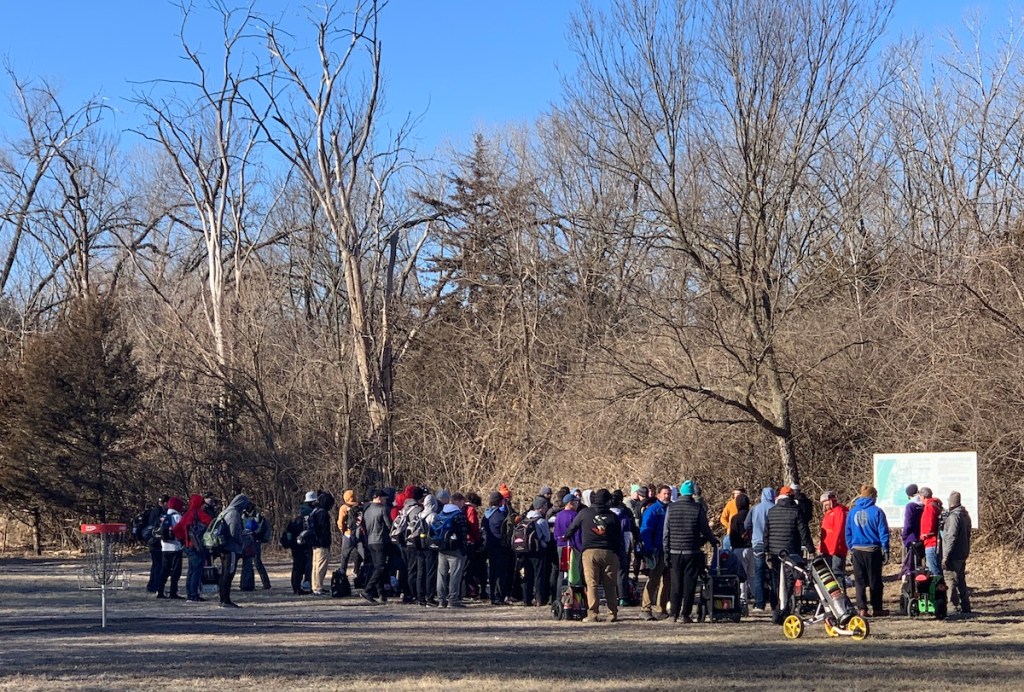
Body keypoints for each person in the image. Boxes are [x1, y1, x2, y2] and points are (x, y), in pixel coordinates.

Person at [562, 488, 623, 623]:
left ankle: (593, 613)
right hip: (609, 552)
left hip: (590, 552)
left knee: (592, 584)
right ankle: (612, 613)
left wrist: (566, 536)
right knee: (610, 584)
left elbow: (572, 527)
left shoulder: (585, 513)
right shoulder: (613, 516)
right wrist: (618, 554)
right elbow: (619, 537)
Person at [664, 480, 716, 623]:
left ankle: (673, 613)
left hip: (674, 550)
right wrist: (712, 540)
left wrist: (666, 551)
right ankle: (685, 614)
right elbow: (705, 529)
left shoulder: (671, 508)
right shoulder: (697, 508)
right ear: (692, 493)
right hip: (692, 551)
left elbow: (666, 532)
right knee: (689, 584)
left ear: (680, 492)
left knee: (676, 583)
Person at [764, 486, 814, 618]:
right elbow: (804, 532)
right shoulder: (796, 511)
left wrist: (766, 549)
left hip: (775, 552)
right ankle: (786, 607)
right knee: (790, 580)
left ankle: (776, 607)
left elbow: (766, 533)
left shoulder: (771, 511)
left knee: (776, 580)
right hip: (791, 551)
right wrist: (810, 548)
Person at [845, 484, 890, 617]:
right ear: (872, 497)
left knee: (859, 581)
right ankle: (877, 608)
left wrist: (850, 547)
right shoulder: (877, 511)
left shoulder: (852, 512)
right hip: (872, 550)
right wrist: (885, 548)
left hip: (857, 550)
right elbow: (883, 532)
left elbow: (848, 532)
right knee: (874, 580)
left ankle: (862, 608)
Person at [172, 493, 214, 603]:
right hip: (198, 546)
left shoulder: (186, 515)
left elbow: (176, 529)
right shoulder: (200, 513)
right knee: (197, 570)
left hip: (188, 545)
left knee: (191, 570)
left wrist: (182, 539)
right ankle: (194, 594)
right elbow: (212, 523)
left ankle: (190, 593)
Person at [639, 484, 671, 621]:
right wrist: (649, 548)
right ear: (658, 495)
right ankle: (645, 608)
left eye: (669, 494)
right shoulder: (653, 510)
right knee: (653, 580)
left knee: (667, 581)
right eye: (664, 493)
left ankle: (661, 608)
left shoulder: (671, 508)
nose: (667, 496)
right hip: (656, 550)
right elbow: (645, 529)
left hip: (669, 550)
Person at [436, 492, 471, 608]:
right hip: (455, 549)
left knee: (441, 575)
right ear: (457, 501)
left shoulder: (441, 512)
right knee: (455, 575)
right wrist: (464, 549)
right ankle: (453, 599)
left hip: (442, 548)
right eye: (462, 502)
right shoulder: (459, 514)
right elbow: (463, 533)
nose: (463, 505)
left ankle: (441, 600)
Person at [745, 487, 776, 612]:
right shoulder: (775, 508)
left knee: (759, 573)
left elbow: (746, 524)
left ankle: (759, 603)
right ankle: (775, 602)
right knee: (774, 573)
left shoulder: (755, 508)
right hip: (772, 544)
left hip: (757, 543)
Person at [218, 493, 250, 608]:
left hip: (224, 547)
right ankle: (225, 600)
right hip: (231, 548)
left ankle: (223, 599)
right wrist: (242, 541)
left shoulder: (225, 512)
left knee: (224, 573)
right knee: (228, 573)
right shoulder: (233, 513)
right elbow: (234, 532)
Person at [942, 491, 972, 614]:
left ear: (951, 502)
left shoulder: (954, 517)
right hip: (963, 551)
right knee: (961, 579)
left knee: (950, 579)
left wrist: (946, 555)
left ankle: (952, 606)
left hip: (954, 553)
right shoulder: (965, 515)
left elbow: (951, 536)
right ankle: (966, 605)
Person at [361, 488, 393, 604]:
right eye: (384, 498)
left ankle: (381, 594)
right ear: (379, 498)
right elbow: (389, 525)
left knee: (377, 567)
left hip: (370, 541)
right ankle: (368, 590)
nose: (385, 500)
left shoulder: (367, 510)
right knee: (380, 568)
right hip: (380, 541)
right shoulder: (382, 509)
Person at [520, 496, 553, 606]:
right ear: (541, 507)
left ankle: (526, 599)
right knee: (539, 575)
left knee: (527, 575)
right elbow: (547, 538)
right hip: (538, 551)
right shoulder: (541, 521)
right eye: (545, 506)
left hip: (525, 550)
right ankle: (539, 599)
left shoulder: (525, 518)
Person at [484, 491, 513, 605]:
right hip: (501, 547)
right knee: (500, 573)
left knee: (492, 571)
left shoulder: (486, 515)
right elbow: (509, 525)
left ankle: (492, 595)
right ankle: (498, 596)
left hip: (490, 546)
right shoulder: (500, 515)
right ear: (500, 501)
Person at [156, 496, 185, 600]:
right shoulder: (177, 517)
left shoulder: (163, 516)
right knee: (175, 571)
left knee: (164, 570)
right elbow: (181, 531)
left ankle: (160, 591)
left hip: (165, 547)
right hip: (175, 547)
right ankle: (173, 592)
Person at [728, 492, 753, 608]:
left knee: (741, 576)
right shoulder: (752, 516)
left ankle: (743, 599)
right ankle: (757, 597)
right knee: (752, 575)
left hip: (738, 548)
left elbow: (732, 535)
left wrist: (733, 547)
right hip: (751, 548)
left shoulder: (735, 518)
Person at [287, 492, 316, 594]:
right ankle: (306, 584)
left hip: (295, 544)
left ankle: (296, 587)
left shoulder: (297, 512)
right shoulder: (312, 513)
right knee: (308, 565)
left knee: (297, 566)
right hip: (306, 543)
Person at [240, 503, 272, 591]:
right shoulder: (242, 515)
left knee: (257, 562)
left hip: (255, 541)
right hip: (246, 541)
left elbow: (261, 528)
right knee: (247, 563)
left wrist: (254, 534)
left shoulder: (258, 516)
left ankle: (266, 584)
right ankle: (248, 584)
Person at [817, 490, 848, 578]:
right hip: (827, 548)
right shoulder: (828, 513)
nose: (824, 504)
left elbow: (839, 530)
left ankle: (840, 586)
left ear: (831, 500)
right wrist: (821, 545)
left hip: (837, 548)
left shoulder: (839, 511)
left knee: (837, 571)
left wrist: (834, 548)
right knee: (828, 572)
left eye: (826, 502)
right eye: (823, 503)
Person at [310, 491, 335, 595]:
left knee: (315, 566)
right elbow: (324, 530)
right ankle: (318, 587)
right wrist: (326, 542)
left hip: (314, 543)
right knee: (321, 566)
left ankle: (315, 586)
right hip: (322, 544)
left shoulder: (314, 511)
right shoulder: (323, 513)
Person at [145, 495, 169, 593]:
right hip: (155, 541)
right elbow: (158, 526)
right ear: (165, 503)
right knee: (158, 564)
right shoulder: (158, 512)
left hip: (153, 540)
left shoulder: (155, 510)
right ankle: (155, 585)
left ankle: (153, 585)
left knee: (156, 564)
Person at [337, 490, 365, 577]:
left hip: (348, 534)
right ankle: (359, 571)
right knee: (362, 554)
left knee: (345, 556)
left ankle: (342, 574)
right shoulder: (360, 506)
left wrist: (343, 531)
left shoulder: (344, 508)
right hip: (359, 533)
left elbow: (340, 522)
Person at [900, 484, 924, 578]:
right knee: (920, 563)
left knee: (911, 563)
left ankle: (911, 581)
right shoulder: (923, 505)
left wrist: (904, 536)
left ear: (909, 495)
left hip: (911, 538)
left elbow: (908, 523)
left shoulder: (910, 506)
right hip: (922, 537)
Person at [919, 487, 943, 576]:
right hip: (936, 542)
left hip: (931, 542)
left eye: (920, 496)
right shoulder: (936, 505)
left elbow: (929, 527)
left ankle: (936, 585)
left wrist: (923, 535)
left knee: (934, 571)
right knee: (936, 568)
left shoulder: (929, 507)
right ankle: (938, 584)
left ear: (923, 496)